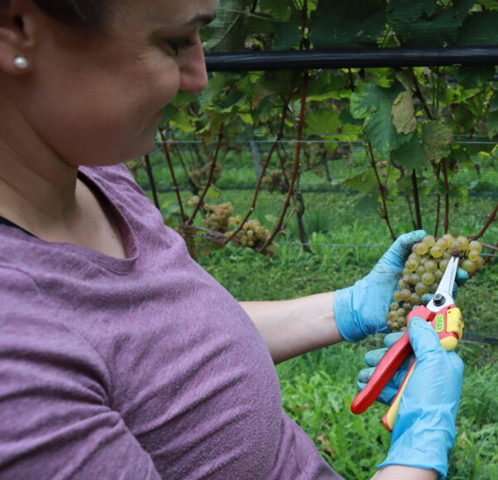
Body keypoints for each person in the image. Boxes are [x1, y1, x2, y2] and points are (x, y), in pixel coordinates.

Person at [0, 1, 464, 479]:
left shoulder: (94, 173)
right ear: (15, 27)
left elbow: (171, 348)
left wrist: (344, 309)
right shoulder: (14, 359)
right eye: (175, 41)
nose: (199, 78)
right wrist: (419, 448)